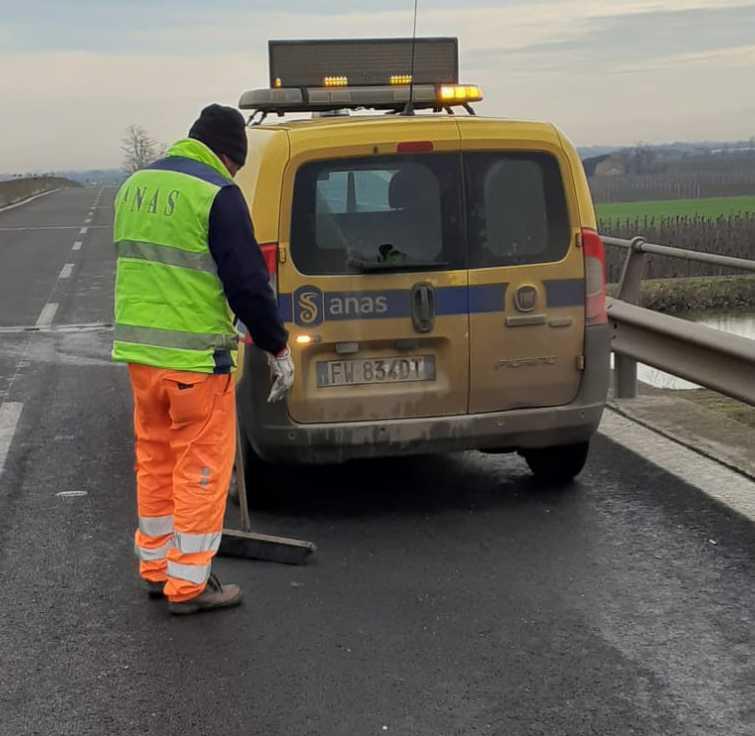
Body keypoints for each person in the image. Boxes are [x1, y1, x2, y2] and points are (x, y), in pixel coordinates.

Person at [112, 104, 293, 615]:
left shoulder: (134, 188)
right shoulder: (218, 194)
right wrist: (276, 345)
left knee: (155, 461)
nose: (233, 172)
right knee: (201, 469)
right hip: (195, 361)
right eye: (235, 163)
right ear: (228, 154)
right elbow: (248, 285)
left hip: (142, 358)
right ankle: (189, 584)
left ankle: (156, 567)